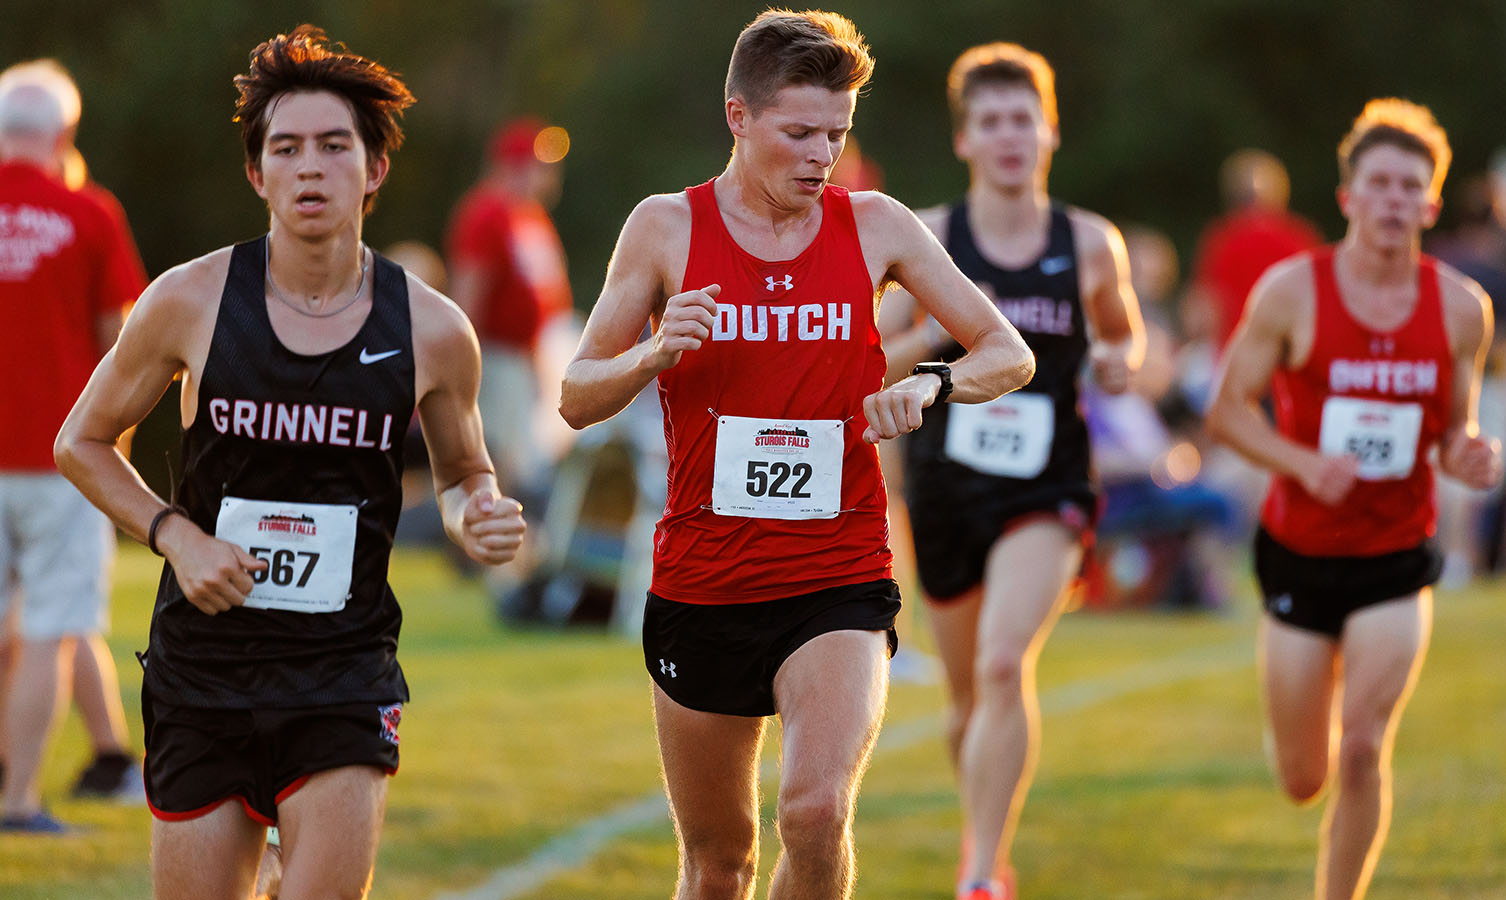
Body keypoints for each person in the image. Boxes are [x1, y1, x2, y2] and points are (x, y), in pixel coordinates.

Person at [559, 11, 1033, 900]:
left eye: (839, 134)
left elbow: (1006, 351)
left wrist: (931, 384)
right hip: (703, 579)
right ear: (739, 117)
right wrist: (651, 353)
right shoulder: (665, 229)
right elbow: (576, 397)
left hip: (837, 569)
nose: (824, 156)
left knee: (815, 812)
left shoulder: (876, 226)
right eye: (801, 133)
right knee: (718, 865)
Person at [54, 26, 525, 898]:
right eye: (287, 148)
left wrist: (479, 514)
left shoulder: (432, 328)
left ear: (374, 169)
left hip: (344, 670)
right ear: (257, 174)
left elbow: (465, 476)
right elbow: (80, 442)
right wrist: (176, 538)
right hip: (205, 670)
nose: (310, 167)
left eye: (334, 146)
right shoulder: (188, 300)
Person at [1206, 98, 1500, 900]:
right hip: (1301, 552)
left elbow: (1453, 429)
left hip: (1396, 557)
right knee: (1306, 776)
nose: (1395, 199)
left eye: (1412, 186)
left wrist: (1466, 454)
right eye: (1380, 182)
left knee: (1365, 747)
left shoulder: (1462, 308)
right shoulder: (1291, 292)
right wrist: (1299, 461)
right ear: (1349, 197)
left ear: (1432, 204)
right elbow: (1227, 412)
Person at [877, 43, 1144, 900]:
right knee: (965, 698)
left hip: (1049, 488)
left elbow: (1124, 332)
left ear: (1049, 132)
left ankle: (983, 874)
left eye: (1021, 120)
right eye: (989, 122)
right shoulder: (930, 238)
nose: (1007, 137)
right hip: (947, 487)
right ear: (964, 140)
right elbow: (871, 355)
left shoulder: (1090, 242)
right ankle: (983, 836)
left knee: (1002, 667)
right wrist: (939, 333)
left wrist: (1119, 361)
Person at [0, 62, 145, 833]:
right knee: (53, 628)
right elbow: (118, 342)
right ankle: (19, 801)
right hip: (61, 460)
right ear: (62, 135)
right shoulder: (89, 213)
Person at [445, 115, 576, 504]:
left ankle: (504, 547)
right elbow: (471, 289)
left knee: (522, 460)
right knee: (496, 457)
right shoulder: (488, 212)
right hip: (496, 356)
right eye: (540, 164)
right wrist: (465, 363)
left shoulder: (530, 217)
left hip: (528, 360)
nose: (550, 174)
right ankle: (480, 545)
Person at [1187, 148, 1322, 352]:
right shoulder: (1299, 235)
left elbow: (1206, 306)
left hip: (1235, 351)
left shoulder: (1222, 237)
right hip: (1289, 353)